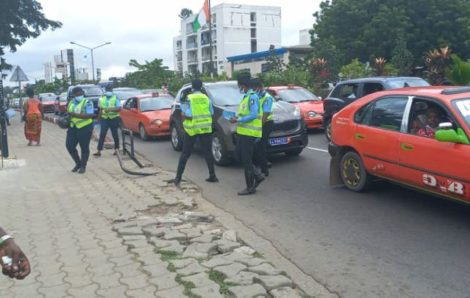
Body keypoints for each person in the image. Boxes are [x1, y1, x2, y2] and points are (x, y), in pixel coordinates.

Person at [171, 79, 218, 186]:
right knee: (207, 152)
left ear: (192, 87)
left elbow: (188, 114)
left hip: (192, 129)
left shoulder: (189, 98)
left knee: (185, 154)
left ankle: (178, 178)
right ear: (201, 87)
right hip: (205, 129)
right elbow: (211, 113)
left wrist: (183, 116)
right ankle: (213, 175)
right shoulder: (207, 99)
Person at [230, 75, 265, 195]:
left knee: (246, 159)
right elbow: (244, 114)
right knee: (239, 156)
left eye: (239, 86)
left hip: (249, 133)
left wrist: (238, 120)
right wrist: (236, 117)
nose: (239, 88)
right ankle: (257, 175)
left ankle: (250, 186)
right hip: (243, 132)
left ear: (243, 85)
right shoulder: (246, 97)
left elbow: (254, 114)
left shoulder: (252, 97)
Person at [66, 87, 95, 174]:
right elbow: (68, 113)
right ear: (74, 95)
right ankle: (78, 163)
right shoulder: (71, 102)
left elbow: (90, 115)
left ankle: (83, 166)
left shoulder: (88, 102)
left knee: (84, 147)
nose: (79, 95)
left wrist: (74, 115)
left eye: (81, 93)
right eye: (77, 94)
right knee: (69, 146)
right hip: (73, 127)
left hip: (85, 127)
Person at [252, 78, 273, 177]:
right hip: (258, 124)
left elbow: (265, 113)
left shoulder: (267, 97)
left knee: (261, 146)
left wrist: (259, 127)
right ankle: (261, 165)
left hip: (266, 124)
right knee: (257, 146)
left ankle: (264, 170)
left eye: (254, 88)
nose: (253, 89)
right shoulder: (257, 96)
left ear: (259, 87)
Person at [94, 85, 121, 157]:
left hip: (114, 118)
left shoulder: (116, 98)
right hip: (104, 118)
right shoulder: (101, 99)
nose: (109, 91)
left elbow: (118, 108)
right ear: (105, 90)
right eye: (108, 89)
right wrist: (98, 118)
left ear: (112, 90)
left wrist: (108, 109)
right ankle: (99, 151)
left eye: (110, 89)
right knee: (102, 134)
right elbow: (100, 109)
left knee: (115, 134)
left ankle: (117, 149)